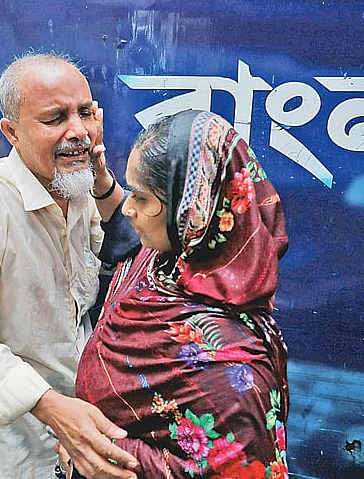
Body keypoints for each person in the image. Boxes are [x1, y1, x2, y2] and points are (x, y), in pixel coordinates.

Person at [0, 53, 139, 479]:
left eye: (86, 113)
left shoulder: (80, 186)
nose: (79, 132)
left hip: (84, 424)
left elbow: (130, 252)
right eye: (55, 119)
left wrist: (101, 178)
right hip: (13, 447)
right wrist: (50, 406)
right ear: (11, 131)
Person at [68, 110, 289, 478]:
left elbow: (237, 470)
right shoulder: (164, 261)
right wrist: (101, 180)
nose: (129, 208)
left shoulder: (232, 372)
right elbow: (126, 237)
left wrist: (96, 448)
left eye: (140, 196)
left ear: (193, 211)